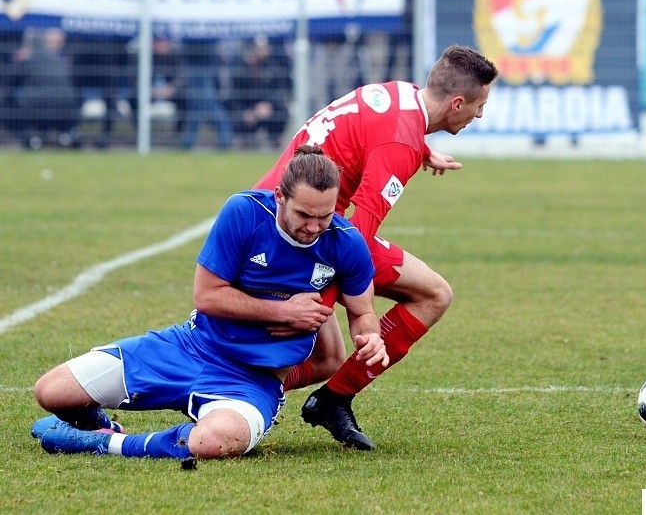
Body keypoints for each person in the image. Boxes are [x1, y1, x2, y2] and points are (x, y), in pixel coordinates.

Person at [30, 145, 389, 462]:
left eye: (323, 217)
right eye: (304, 215)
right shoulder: (244, 212)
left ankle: (103, 443)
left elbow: (362, 313)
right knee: (51, 392)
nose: (313, 227)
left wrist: (369, 336)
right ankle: (95, 423)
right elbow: (207, 295)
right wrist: (283, 310)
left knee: (213, 441)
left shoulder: (346, 243)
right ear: (279, 196)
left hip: (253, 381)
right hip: (191, 347)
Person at [252, 44, 499, 450]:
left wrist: (421, 150)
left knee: (330, 357)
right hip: (299, 234)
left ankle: (327, 400)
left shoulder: (401, 94)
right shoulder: (399, 147)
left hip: (273, 213)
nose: (480, 114)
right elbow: (357, 240)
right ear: (457, 103)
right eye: (479, 105)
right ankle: (263, 391)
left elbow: (375, 130)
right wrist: (335, 311)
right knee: (431, 296)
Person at [9, 28, 82, 149]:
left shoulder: (28, 59)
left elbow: (9, 84)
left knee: (7, 104)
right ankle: (66, 135)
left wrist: (16, 62)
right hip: (66, 107)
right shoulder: (61, 60)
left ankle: (30, 139)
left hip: (35, 107)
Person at [229, 35, 292, 149]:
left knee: (282, 112)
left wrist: (269, 104)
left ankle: (275, 140)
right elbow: (234, 95)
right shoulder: (240, 68)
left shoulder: (273, 65)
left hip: (268, 107)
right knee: (237, 116)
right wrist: (246, 111)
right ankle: (245, 141)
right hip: (247, 108)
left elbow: (281, 89)